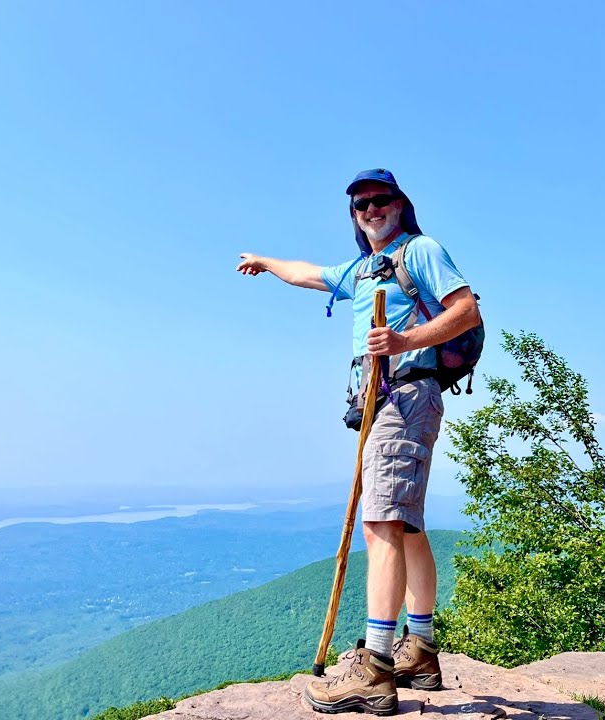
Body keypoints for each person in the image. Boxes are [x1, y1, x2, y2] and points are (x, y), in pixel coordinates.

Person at [236, 168, 481, 715]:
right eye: (360, 204)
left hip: (404, 395)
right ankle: (419, 650)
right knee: (406, 525)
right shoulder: (363, 268)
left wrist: (403, 340)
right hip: (385, 401)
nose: (370, 209)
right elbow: (307, 274)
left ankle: (374, 668)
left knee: (382, 523)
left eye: (379, 199)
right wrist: (266, 262)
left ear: (400, 203)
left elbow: (466, 310)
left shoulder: (419, 251)